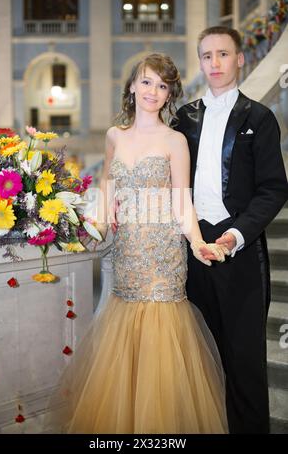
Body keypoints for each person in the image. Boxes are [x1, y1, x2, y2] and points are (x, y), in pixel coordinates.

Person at [47, 53, 229, 434]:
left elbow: (182, 199)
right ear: (132, 85)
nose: (153, 91)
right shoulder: (115, 135)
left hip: (162, 253)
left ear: (169, 95)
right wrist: (100, 215)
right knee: (122, 338)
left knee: (160, 343)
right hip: (126, 248)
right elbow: (108, 182)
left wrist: (196, 242)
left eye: (162, 86)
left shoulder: (175, 140)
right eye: (146, 82)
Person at [172, 26, 288, 434]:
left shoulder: (260, 117)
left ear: (240, 59)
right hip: (192, 250)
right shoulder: (183, 118)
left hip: (240, 252)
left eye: (223, 54)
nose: (215, 63)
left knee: (243, 361)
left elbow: (274, 188)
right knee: (200, 358)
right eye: (207, 56)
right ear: (200, 62)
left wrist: (236, 234)